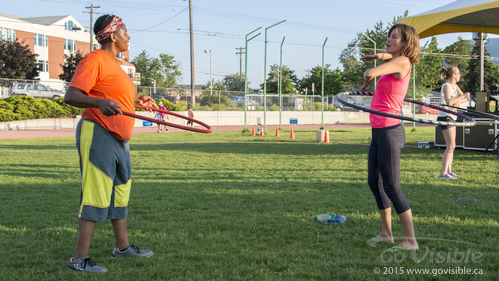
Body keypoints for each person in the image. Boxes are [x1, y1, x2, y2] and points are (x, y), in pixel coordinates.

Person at [64, 14, 156, 273]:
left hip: (119, 136)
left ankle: (123, 248)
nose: (129, 37)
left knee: (120, 189)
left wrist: (139, 103)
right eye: (126, 32)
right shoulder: (95, 60)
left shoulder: (116, 64)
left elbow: (111, 97)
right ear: (114, 36)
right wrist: (99, 104)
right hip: (98, 131)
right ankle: (79, 259)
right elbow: (71, 95)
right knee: (95, 192)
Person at [361, 23, 420, 251]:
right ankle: (386, 233)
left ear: (405, 43)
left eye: (394, 37)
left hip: (389, 131)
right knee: (374, 183)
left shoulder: (402, 62)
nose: (388, 38)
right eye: (389, 35)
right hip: (379, 131)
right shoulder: (396, 59)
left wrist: (367, 79)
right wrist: (380, 54)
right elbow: (389, 57)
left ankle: (411, 241)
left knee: (392, 186)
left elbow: (371, 72)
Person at [437, 66, 470, 179]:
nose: (460, 75)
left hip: (452, 116)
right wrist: (459, 100)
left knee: (452, 146)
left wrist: (458, 101)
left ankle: (449, 171)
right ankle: (443, 173)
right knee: (450, 146)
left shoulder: (454, 86)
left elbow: (465, 98)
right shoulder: (446, 86)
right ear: (453, 75)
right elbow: (449, 101)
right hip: (445, 117)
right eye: (458, 73)